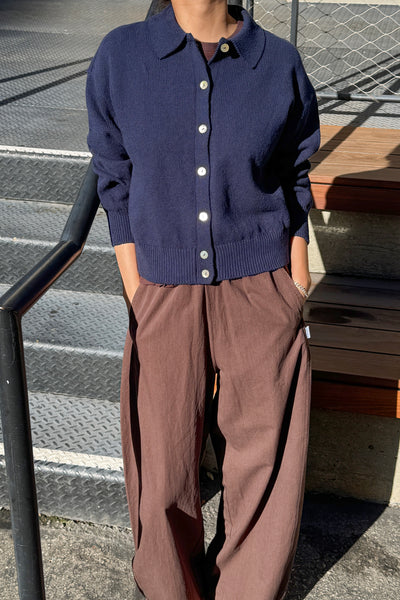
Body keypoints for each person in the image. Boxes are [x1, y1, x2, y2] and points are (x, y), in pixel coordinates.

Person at [85, 0, 320, 598]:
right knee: (162, 469)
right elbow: (114, 178)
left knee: (263, 465)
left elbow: (295, 173)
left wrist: (294, 280)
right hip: (161, 288)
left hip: (261, 286)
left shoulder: (277, 62)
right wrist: (138, 287)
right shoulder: (122, 56)